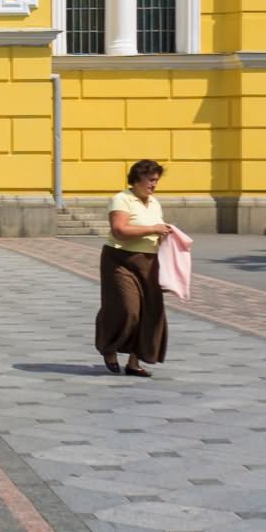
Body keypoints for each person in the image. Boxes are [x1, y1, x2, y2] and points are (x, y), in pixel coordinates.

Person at [96, 157, 175, 378]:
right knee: (127, 309)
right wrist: (153, 228)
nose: (153, 184)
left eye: (156, 180)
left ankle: (134, 361)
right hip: (120, 260)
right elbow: (119, 231)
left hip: (149, 263)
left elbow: (155, 232)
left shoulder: (154, 202)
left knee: (151, 312)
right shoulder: (122, 199)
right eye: (150, 180)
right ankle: (109, 347)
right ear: (137, 179)